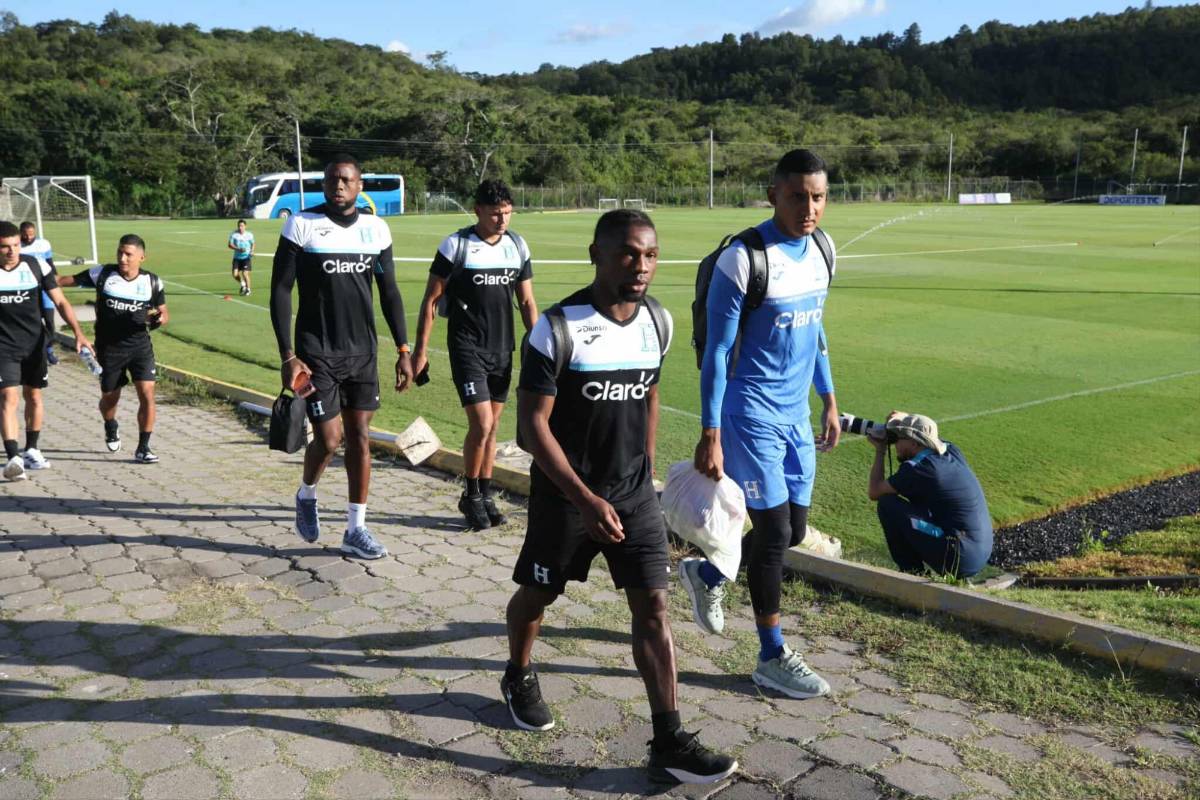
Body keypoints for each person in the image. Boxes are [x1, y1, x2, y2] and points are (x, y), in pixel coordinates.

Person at [502, 209, 736, 785]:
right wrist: (583, 498)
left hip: (632, 497)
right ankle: (518, 671)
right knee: (537, 596)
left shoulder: (658, 321)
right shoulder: (556, 328)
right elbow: (530, 428)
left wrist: (646, 473)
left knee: (653, 608)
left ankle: (668, 739)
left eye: (651, 255)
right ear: (597, 254)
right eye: (629, 253)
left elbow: (650, 394)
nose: (642, 266)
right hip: (566, 498)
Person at [685, 148, 839, 700]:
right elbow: (717, 351)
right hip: (748, 413)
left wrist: (828, 396)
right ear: (773, 194)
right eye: (798, 195)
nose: (809, 207)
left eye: (818, 196)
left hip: (797, 414)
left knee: (794, 530)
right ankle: (772, 653)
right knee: (773, 534)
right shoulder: (744, 260)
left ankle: (708, 575)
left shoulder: (823, 249)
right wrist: (711, 431)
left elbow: (815, 328)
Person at [270, 154, 413, 560]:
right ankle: (307, 493)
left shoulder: (376, 229)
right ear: (324, 183)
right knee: (330, 440)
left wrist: (404, 350)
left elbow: (390, 293)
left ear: (359, 185)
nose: (339, 186)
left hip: (362, 354)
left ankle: (356, 529)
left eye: (347, 180)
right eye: (333, 179)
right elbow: (281, 290)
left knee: (362, 439)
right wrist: (288, 355)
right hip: (317, 354)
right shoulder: (301, 224)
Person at [411, 180, 538, 530]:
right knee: (480, 424)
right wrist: (419, 352)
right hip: (467, 347)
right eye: (496, 213)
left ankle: (484, 493)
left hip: (503, 348)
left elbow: (527, 302)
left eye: (508, 213)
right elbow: (431, 301)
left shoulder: (517, 246)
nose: (502, 220)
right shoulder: (457, 245)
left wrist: (541, 345)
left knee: (493, 427)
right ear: (478, 210)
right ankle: (469, 494)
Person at [57, 235, 168, 464]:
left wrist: (158, 318)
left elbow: (164, 313)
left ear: (141, 257)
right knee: (110, 398)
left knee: (147, 394)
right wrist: (46, 280)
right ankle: (110, 424)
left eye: (128, 254)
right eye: (120, 252)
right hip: (109, 349)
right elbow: (67, 280)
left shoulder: (152, 282)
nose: (122, 258)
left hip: (140, 347)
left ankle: (143, 447)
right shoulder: (104, 274)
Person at [0, 221, 91, 480]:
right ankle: (13, 457)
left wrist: (79, 333)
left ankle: (32, 449)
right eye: (5, 247)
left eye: (16, 245)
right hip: (3, 347)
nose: (12, 251)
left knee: (34, 396)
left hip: (34, 343)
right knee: (8, 397)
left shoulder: (35, 265)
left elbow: (60, 300)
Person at [868, 411, 993, 578]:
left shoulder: (919, 469)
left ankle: (912, 573)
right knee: (918, 506)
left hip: (957, 557)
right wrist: (904, 419)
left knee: (887, 504)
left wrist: (880, 450)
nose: (895, 443)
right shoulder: (950, 451)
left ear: (914, 443)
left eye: (898, 438)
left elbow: (874, 491)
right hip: (978, 552)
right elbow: (927, 431)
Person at [18, 222, 59, 366]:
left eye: (31, 234)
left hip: (45, 287)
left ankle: (48, 349)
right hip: (28, 289)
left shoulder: (44, 244)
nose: (29, 237)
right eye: (25, 234)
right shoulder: (16, 246)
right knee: (32, 321)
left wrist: (55, 280)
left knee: (49, 321)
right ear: (20, 233)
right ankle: (33, 350)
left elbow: (50, 263)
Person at [228, 219, 255, 296]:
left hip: (246, 258)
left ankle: (248, 289)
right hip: (237, 258)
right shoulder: (234, 234)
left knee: (245, 273)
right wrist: (238, 249)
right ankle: (243, 284)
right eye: (239, 226)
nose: (240, 227)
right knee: (235, 274)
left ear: (245, 226)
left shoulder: (249, 235)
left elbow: (253, 244)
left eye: (242, 226)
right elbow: (230, 245)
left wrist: (252, 251)